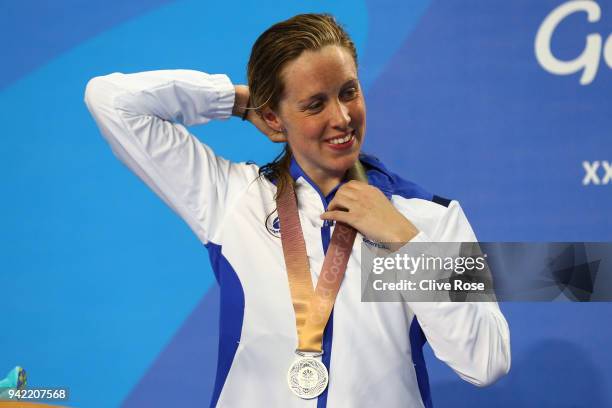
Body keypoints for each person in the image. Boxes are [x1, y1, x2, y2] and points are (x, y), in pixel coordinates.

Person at [85, 13, 510, 408]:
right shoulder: (233, 199)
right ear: (273, 120)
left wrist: (405, 242)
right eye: (314, 104)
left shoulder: (430, 217)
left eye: (349, 92)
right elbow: (111, 100)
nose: (342, 117)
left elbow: (486, 360)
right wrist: (235, 101)